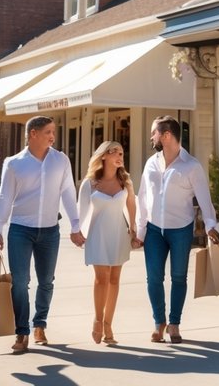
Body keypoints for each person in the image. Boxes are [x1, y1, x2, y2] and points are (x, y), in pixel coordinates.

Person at [0, 116, 84, 354]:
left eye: (53, 131)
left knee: (46, 281)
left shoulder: (61, 160)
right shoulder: (13, 164)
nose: (53, 136)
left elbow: (68, 192)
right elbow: (4, 198)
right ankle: (21, 331)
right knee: (20, 282)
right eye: (48, 132)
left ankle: (39, 324)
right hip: (20, 230)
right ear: (33, 133)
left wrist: (75, 226)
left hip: (50, 230)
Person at [135, 115, 219, 344]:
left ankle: (174, 324)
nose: (151, 137)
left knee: (178, 277)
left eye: (154, 132)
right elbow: (143, 197)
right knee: (153, 278)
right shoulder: (150, 163)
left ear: (166, 136)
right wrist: (140, 230)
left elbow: (204, 198)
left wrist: (210, 225)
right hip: (154, 230)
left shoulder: (191, 166)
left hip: (181, 230)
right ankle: (159, 323)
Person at [78, 141, 138, 345]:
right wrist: (77, 232)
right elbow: (81, 212)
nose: (120, 156)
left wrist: (134, 230)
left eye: (122, 152)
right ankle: (97, 319)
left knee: (114, 279)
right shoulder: (90, 183)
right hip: (97, 234)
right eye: (115, 153)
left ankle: (108, 324)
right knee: (101, 279)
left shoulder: (126, 182)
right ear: (104, 156)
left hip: (119, 234)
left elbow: (131, 207)